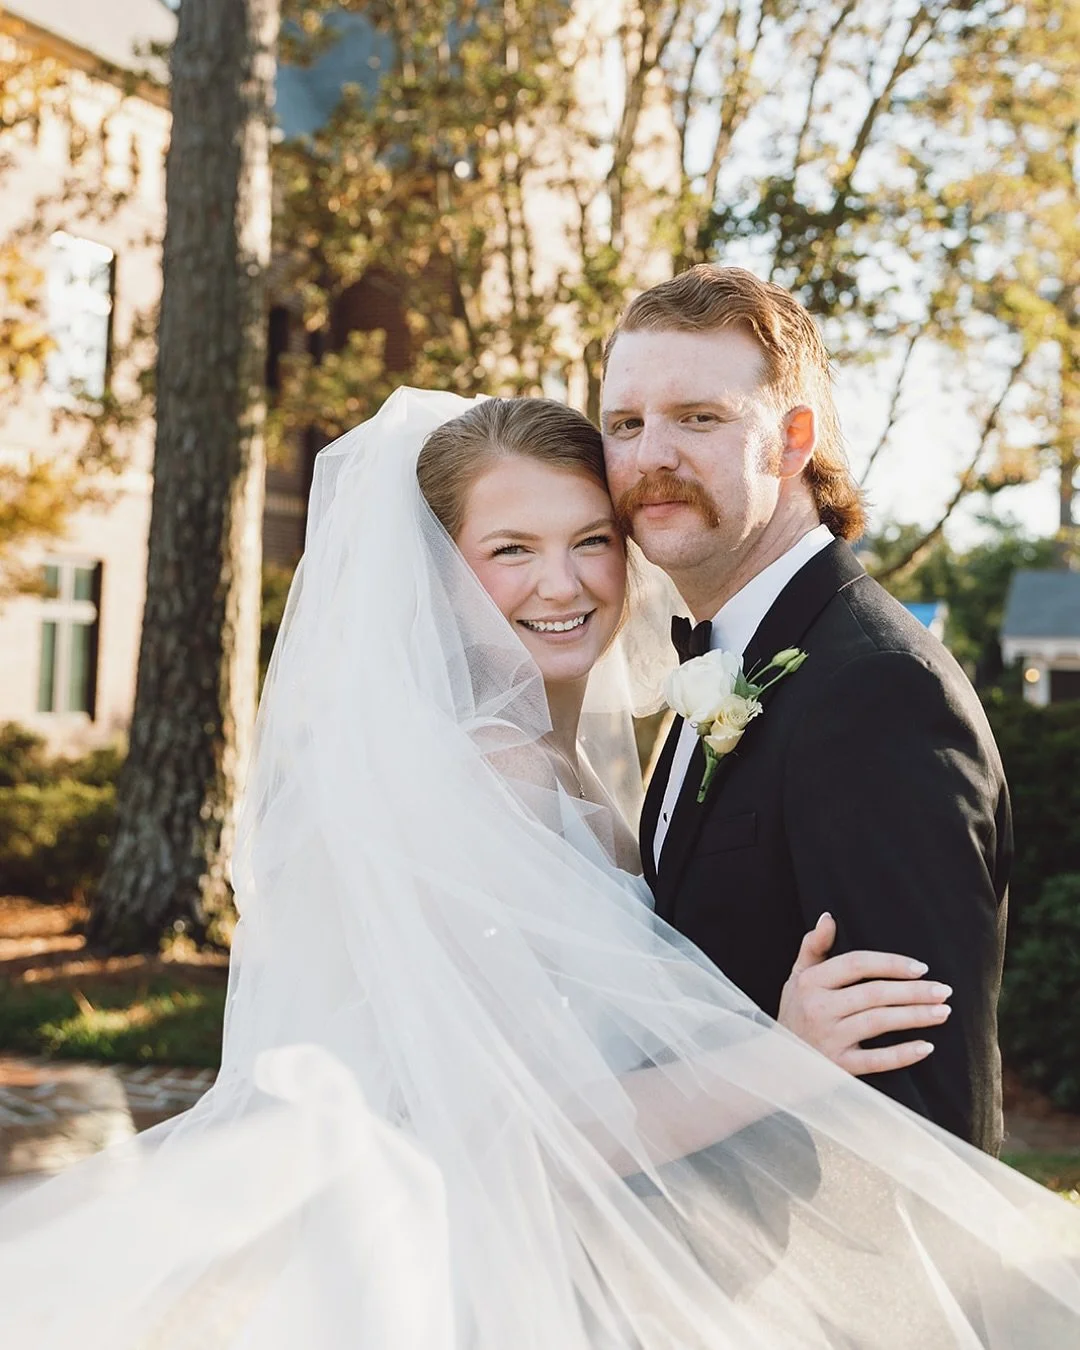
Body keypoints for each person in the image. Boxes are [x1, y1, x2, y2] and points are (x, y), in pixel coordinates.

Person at [0, 388, 1077, 1350]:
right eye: (509, 549)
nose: (560, 583)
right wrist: (785, 1056)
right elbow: (510, 1131)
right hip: (501, 1284)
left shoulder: (565, 757)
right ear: (440, 572)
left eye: (590, 540)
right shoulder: (472, 777)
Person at [602, 265, 1010, 1154]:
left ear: (791, 442)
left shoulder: (879, 693)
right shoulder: (738, 657)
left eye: (698, 417)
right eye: (626, 424)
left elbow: (931, 1112)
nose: (650, 456)